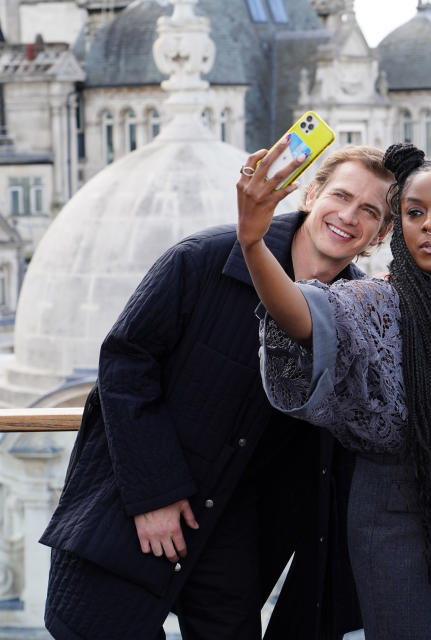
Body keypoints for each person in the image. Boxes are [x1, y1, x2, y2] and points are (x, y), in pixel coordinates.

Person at [39, 145, 394, 640]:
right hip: (139, 514)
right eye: (341, 195)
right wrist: (154, 495)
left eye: (370, 211)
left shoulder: (362, 315)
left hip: (238, 542)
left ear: (381, 234)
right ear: (311, 195)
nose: (349, 215)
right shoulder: (202, 259)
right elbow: (124, 363)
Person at [237, 134, 431, 640]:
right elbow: (302, 315)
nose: (430, 224)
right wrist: (252, 242)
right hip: (395, 518)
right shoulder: (370, 304)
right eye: (414, 213)